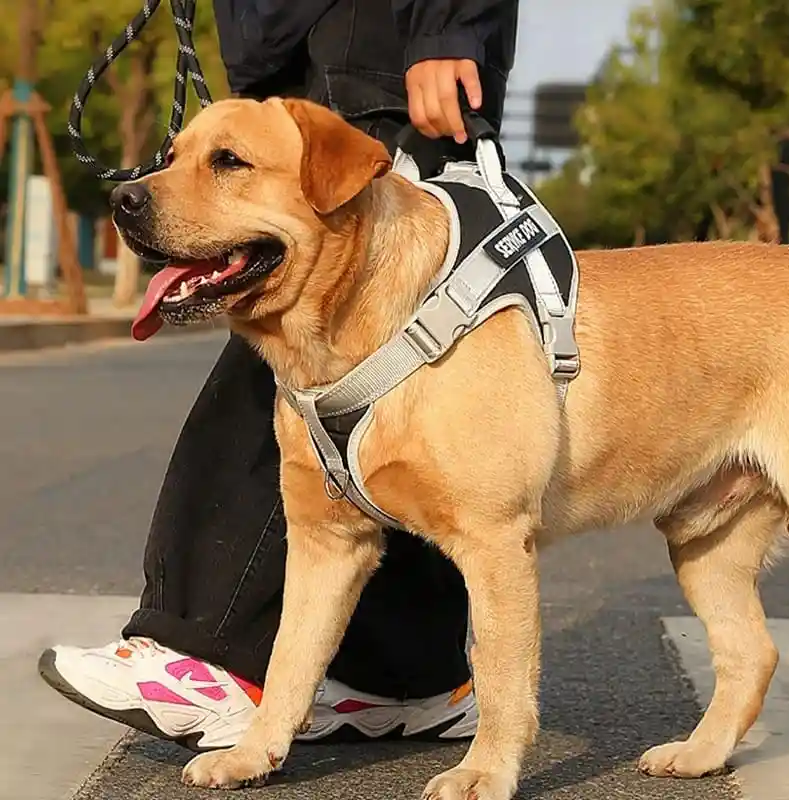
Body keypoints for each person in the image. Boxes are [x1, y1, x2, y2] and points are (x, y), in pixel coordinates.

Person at [39, 0, 519, 749]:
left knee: (314, 329)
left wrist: (451, 25)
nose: (149, 186)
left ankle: (204, 646)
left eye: (219, 166)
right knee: (392, 390)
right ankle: (403, 675)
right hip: (281, 38)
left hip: (378, 36)